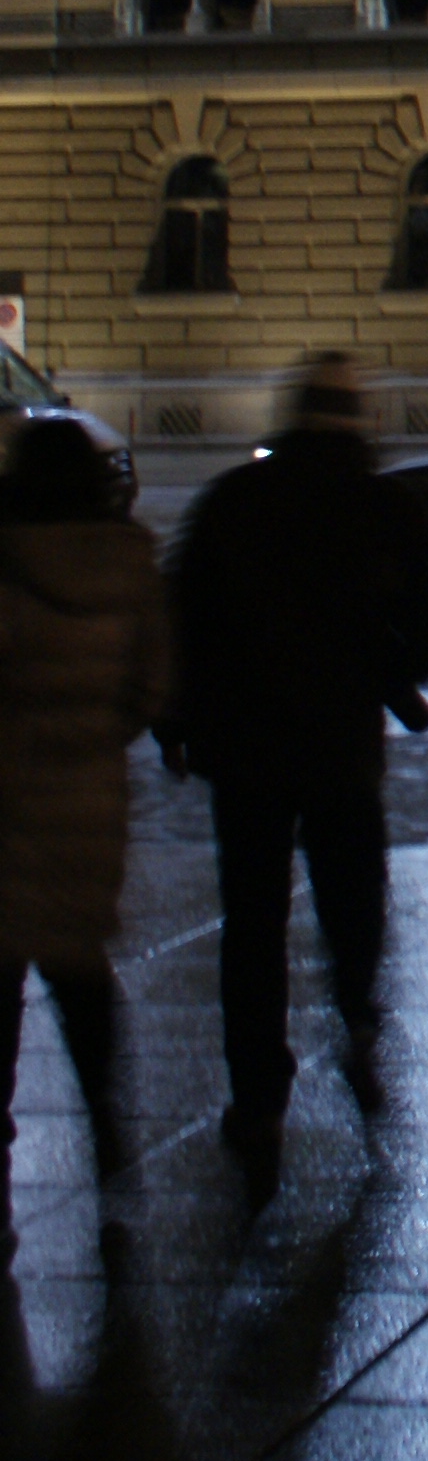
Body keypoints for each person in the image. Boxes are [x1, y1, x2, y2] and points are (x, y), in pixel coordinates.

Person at [170, 356, 428, 1200]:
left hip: (247, 747)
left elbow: (187, 615)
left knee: (252, 924)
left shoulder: (234, 500)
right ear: (357, 422)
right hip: (341, 741)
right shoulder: (384, 506)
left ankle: (259, 1096)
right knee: (352, 898)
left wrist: (177, 721)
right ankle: (359, 1018)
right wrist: (393, 673)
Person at [0, 420, 171, 1252]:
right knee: (79, 970)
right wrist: (97, 736)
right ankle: (106, 1124)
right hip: (87, 800)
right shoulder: (128, 564)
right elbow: (151, 684)